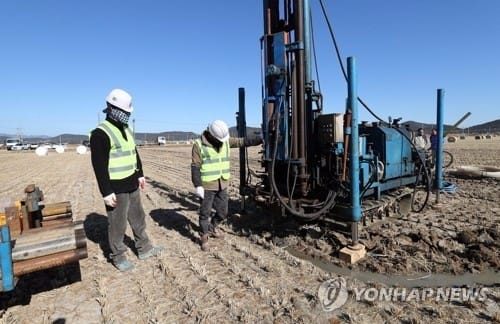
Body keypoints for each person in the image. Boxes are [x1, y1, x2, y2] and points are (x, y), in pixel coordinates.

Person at [90, 88, 162, 272]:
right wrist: (106, 192)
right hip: (116, 188)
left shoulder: (126, 129)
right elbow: (99, 166)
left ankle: (144, 248)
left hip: (132, 183)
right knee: (118, 224)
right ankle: (118, 256)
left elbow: (133, 153)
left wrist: (140, 174)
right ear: (112, 109)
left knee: (138, 218)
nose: (127, 115)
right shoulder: (100, 133)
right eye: (125, 112)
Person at [191, 119, 262, 251]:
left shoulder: (225, 141)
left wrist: (261, 138)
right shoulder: (198, 145)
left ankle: (212, 228)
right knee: (204, 212)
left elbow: (243, 141)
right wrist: (198, 185)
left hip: (222, 183)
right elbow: (195, 166)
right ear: (212, 135)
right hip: (207, 186)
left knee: (223, 212)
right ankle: (204, 236)